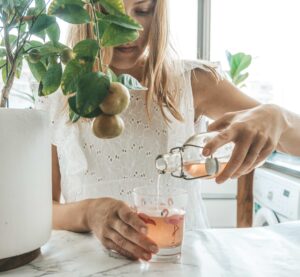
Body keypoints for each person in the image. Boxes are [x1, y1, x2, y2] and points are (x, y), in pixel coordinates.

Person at [37, 0, 300, 261]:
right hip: (91, 266)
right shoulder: (58, 96)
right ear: (86, 11)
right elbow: (40, 209)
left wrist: (277, 117)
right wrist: (89, 212)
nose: (132, 27)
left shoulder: (192, 82)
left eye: (143, 10)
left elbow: (293, 140)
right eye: (109, 10)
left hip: (181, 264)